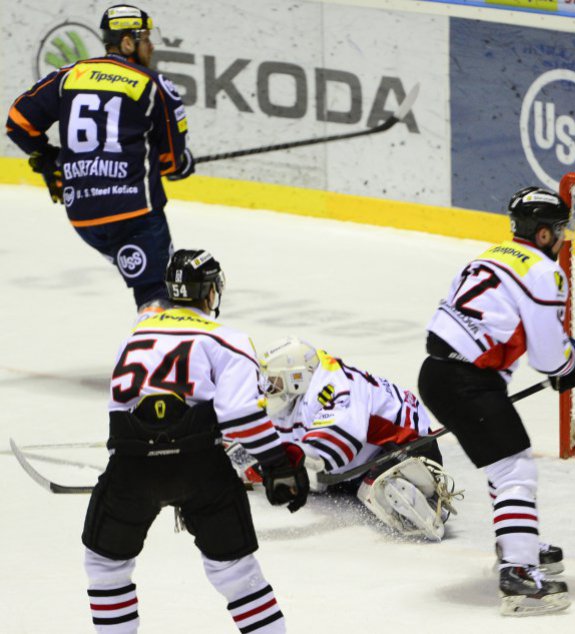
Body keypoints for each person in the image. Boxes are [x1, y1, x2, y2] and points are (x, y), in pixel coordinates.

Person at [81, 249, 309, 633]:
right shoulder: (229, 341)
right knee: (237, 574)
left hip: (132, 468)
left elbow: (119, 411)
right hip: (201, 468)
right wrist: (277, 465)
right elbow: (241, 417)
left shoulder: (134, 337)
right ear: (210, 292)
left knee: (106, 567)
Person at [417, 186, 575, 616]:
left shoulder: (489, 256)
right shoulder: (544, 272)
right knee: (515, 468)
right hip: (468, 379)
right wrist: (571, 366)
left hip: (439, 372)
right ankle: (518, 574)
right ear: (545, 234)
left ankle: (520, 542)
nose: (563, 238)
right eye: (560, 231)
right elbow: (550, 357)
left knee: (503, 463)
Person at [5, 4, 194, 314]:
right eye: (145, 37)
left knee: (151, 284)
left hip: (83, 214)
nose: (151, 44)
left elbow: (18, 122)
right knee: (160, 291)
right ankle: (153, 356)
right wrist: (184, 163)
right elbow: (171, 163)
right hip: (133, 212)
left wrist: (48, 159)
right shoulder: (154, 85)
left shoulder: (69, 75)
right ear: (128, 42)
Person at [227, 336, 461, 541]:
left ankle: (428, 504)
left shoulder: (337, 386)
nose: (267, 389)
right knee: (303, 476)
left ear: (295, 377)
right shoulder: (299, 391)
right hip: (360, 461)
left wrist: (284, 459)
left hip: (406, 446)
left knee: (384, 489)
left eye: (274, 382)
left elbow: (341, 441)